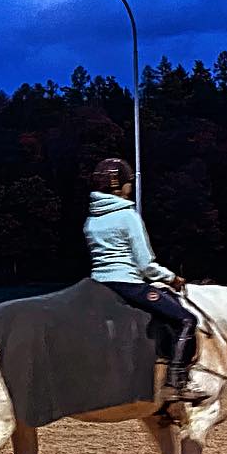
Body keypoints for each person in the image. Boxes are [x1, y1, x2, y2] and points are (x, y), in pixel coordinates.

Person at [82, 159, 198, 396]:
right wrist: (172, 278)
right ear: (119, 187)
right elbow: (146, 266)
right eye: (128, 183)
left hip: (97, 285)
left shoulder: (91, 219)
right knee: (186, 320)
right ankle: (176, 382)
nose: (130, 187)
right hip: (128, 284)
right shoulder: (127, 216)